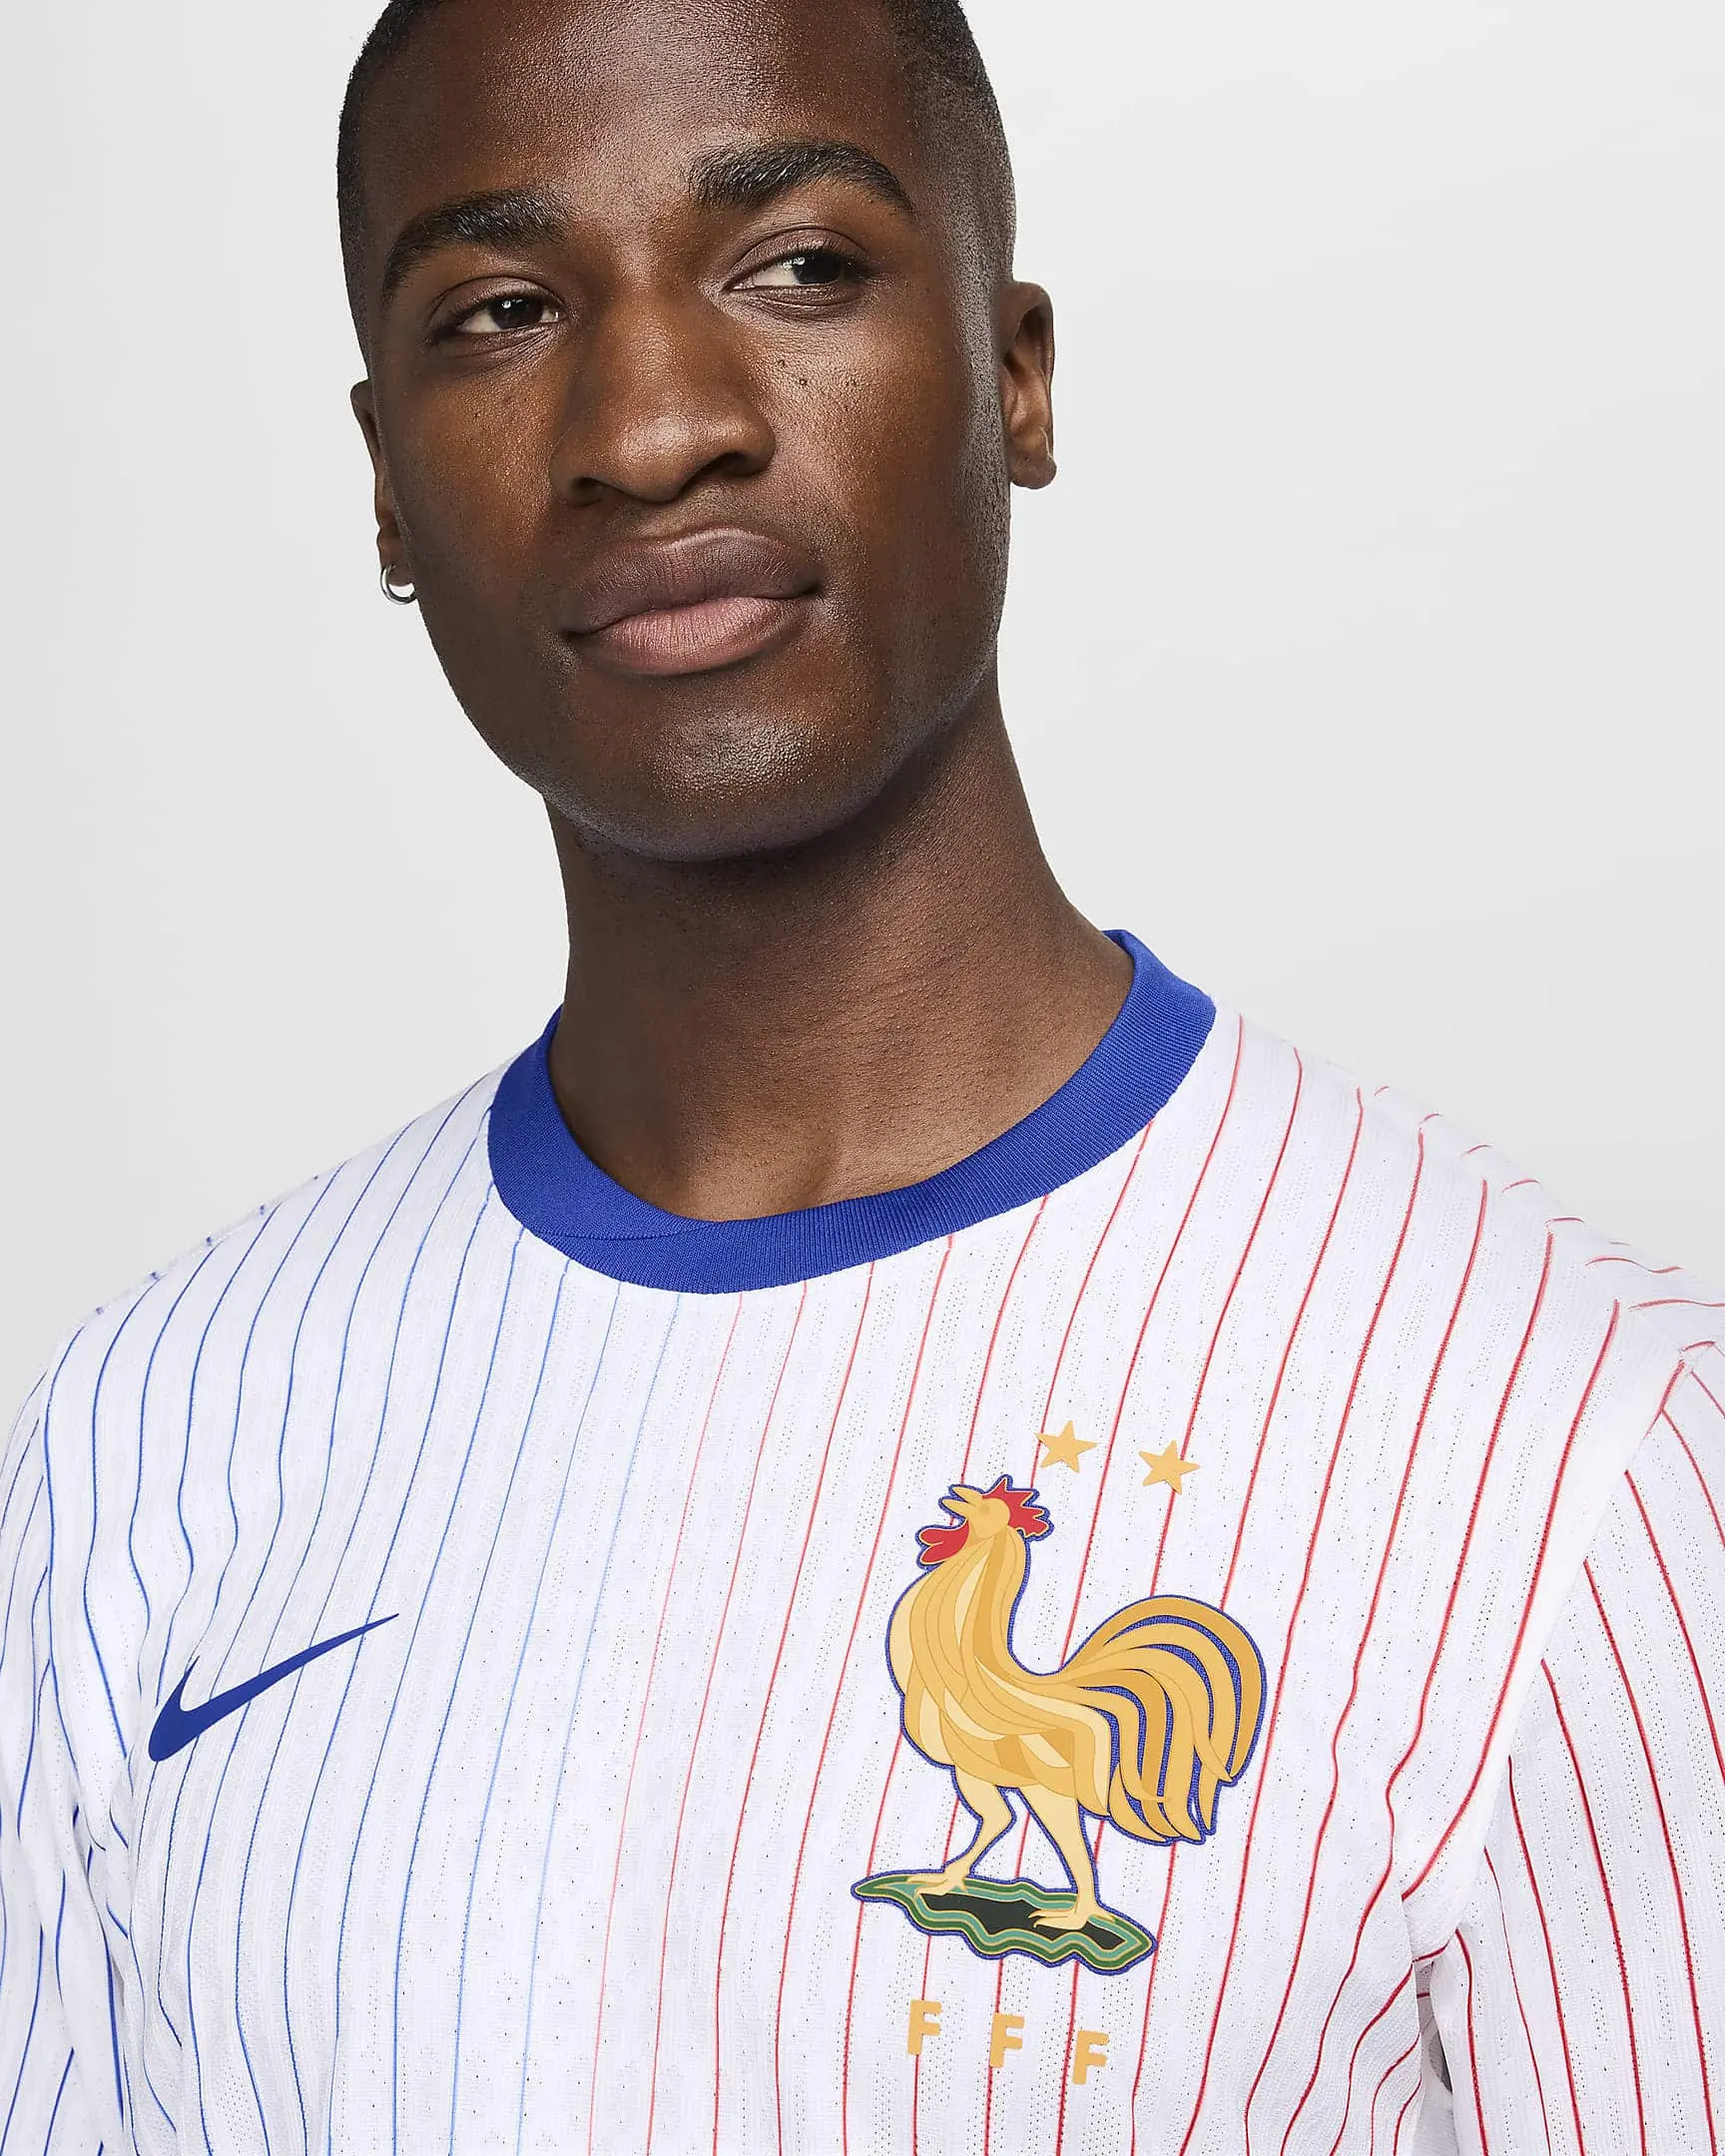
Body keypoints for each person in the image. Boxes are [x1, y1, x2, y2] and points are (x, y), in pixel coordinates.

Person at [2, 0, 1719, 2146]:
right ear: (384, 487)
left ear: (1016, 375)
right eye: (504, 309)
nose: (652, 427)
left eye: (798, 264)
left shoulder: (1578, 1461)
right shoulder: (148, 1440)